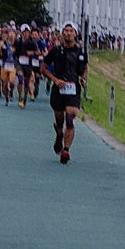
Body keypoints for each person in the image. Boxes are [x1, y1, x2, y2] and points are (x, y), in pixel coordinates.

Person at [41, 22, 87, 164]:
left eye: (71, 31)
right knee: (60, 121)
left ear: (75, 34)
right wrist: (54, 80)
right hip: (58, 90)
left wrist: (84, 79)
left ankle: (66, 150)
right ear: (62, 33)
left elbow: (84, 68)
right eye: (65, 31)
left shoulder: (80, 53)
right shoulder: (55, 50)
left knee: (70, 120)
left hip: (73, 91)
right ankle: (59, 135)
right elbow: (43, 67)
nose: (68, 33)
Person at [14, 23, 39, 108]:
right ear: (21, 32)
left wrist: (31, 53)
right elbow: (14, 51)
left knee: (27, 83)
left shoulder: (32, 42)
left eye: (27, 32)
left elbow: (38, 52)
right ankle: (20, 97)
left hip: (28, 64)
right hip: (19, 62)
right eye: (24, 32)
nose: (26, 33)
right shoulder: (18, 41)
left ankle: (24, 98)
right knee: (20, 79)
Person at [0, 27, 18, 106]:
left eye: (13, 33)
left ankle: (11, 92)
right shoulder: (3, 43)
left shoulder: (17, 44)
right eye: (9, 33)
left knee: (12, 82)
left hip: (13, 65)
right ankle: (6, 98)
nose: (11, 35)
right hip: (4, 65)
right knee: (4, 84)